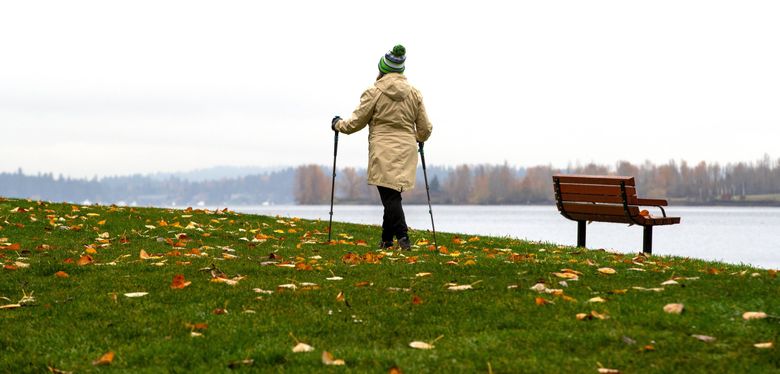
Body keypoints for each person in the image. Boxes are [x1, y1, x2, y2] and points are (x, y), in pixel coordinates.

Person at [331, 44, 433, 250]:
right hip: (406, 151)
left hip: (383, 149)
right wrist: (418, 137)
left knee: (390, 196)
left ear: (383, 69)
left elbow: (355, 123)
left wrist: (337, 124)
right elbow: (425, 128)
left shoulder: (374, 92)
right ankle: (386, 241)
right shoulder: (415, 94)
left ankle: (403, 238)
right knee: (392, 194)